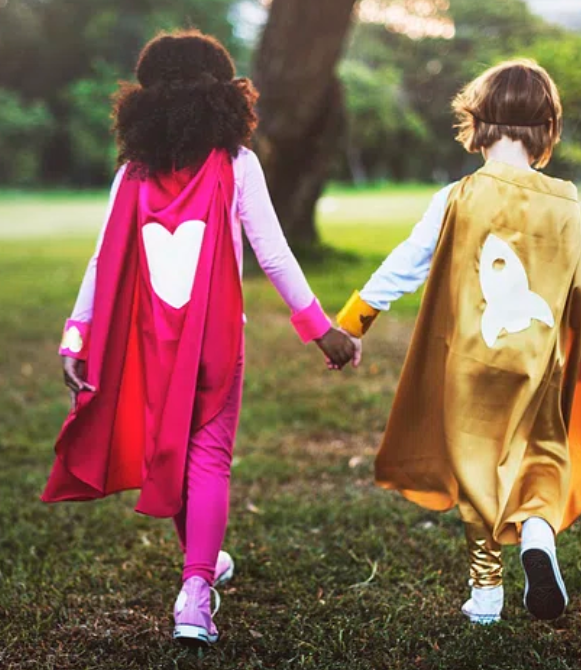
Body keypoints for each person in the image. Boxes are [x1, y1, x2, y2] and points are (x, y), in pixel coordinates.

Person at [41, 30, 357, 646]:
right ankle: (195, 589)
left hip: (148, 343)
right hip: (215, 342)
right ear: (226, 97)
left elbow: (103, 262)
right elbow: (274, 254)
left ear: (144, 102)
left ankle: (199, 573)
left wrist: (76, 335)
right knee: (207, 457)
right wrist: (321, 329)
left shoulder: (131, 175)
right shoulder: (238, 164)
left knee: (172, 452)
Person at [334, 59, 581, 624]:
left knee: (477, 466)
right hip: (536, 358)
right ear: (547, 130)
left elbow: (408, 262)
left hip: (470, 364)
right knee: (540, 454)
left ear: (476, 123)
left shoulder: (456, 195)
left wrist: (353, 321)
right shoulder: (566, 200)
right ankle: (538, 538)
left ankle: (487, 591)